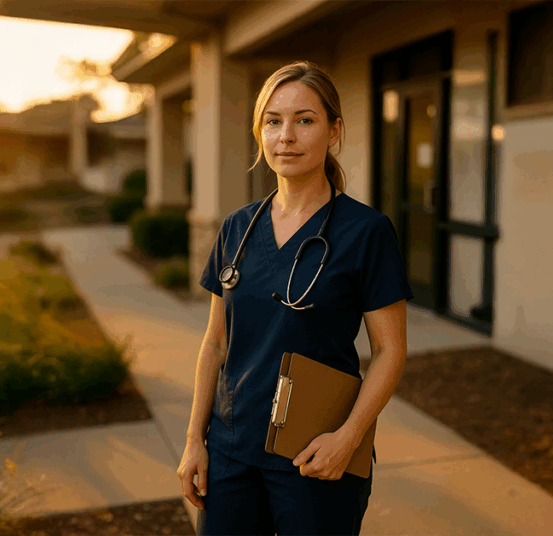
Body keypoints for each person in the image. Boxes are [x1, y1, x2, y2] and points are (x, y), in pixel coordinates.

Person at [176, 60, 414, 536]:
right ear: (259, 131)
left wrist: (348, 441)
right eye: (273, 120)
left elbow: (391, 351)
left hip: (315, 453)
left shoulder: (365, 232)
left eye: (305, 119)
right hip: (231, 449)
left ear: (334, 131)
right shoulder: (237, 228)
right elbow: (215, 344)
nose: (286, 135)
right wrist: (194, 441)